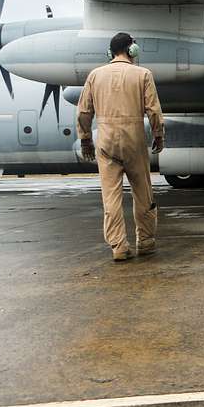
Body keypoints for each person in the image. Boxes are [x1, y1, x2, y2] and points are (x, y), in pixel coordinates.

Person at [77, 32, 165, 262]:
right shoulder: (143, 74)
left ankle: (119, 247)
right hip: (134, 139)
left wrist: (86, 139)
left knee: (111, 197)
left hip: (105, 140)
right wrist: (158, 135)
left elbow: (84, 112)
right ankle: (145, 242)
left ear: (110, 52)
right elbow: (154, 111)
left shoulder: (95, 75)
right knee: (143, 193)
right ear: (131, 50)